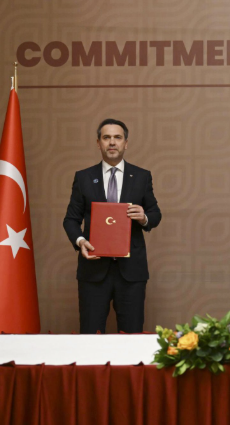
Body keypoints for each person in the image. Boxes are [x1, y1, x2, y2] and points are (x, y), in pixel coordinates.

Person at [63, 119, 161, 334]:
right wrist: (80, 241)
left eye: (118, 137)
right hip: (93, 271)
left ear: (126, 143)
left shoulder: (142, 176)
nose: (112, 142)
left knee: (132, 335)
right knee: (90, 333)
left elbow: (155, 214)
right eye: (106, 137)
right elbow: (70, 219)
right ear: (98, 143)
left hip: (131, 272)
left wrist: (144, 217)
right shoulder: (84, 177)